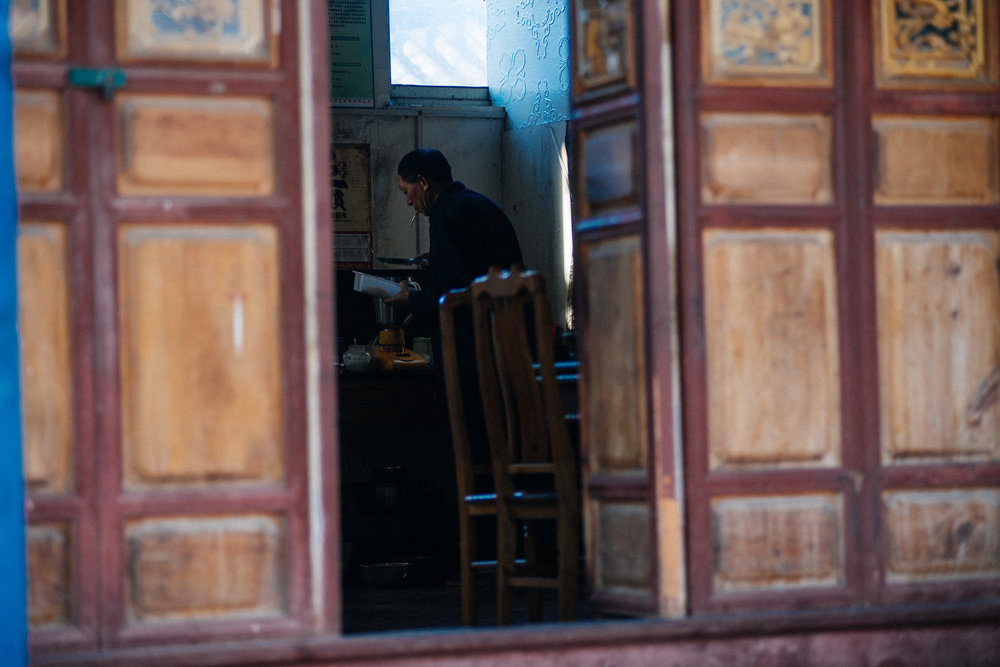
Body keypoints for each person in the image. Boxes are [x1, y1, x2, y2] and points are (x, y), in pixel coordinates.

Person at [384, 148, 523, 346]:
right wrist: (438, 260)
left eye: (406, 191)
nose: (407, 201)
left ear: (423, 182)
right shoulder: (482, 204)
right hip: (510, 331)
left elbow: (449, 292)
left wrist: (412, 300)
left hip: (474, 343)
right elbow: (475, 264)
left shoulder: (444, 216)